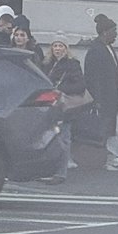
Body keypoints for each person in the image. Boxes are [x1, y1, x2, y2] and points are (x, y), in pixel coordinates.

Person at [83, 13, 118, 171]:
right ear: (105, 32)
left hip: (110, 97)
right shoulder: (96, 51)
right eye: (114, 30)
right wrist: (96, 99)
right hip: (103, 98)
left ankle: (114, 158)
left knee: (113, 128)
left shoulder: (107, 48)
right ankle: (113, 159)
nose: (116, 34)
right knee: (110, 129)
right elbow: (91, 77)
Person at [40, 39, 86, 184]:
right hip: (50, 106)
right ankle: (49, 170)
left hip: (64, 107)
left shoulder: (72, 64)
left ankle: (61, 172)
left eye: (60, 46)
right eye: (55, 45)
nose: (57, 49)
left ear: (66, 48)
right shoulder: (46, 64)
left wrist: (60, 90)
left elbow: (80, 86)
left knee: (63, 139)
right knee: (49, 139)